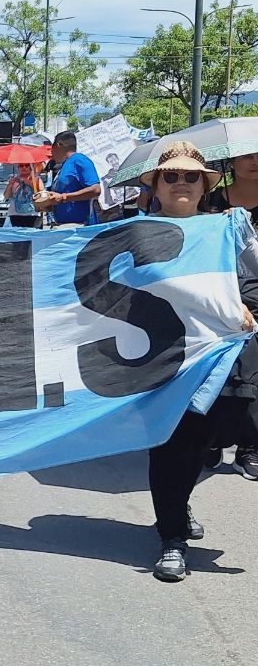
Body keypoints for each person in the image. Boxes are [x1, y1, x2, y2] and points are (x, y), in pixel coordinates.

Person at [138, 141, 256, 581]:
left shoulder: (226, 229)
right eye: (171, 176)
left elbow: (255, 276)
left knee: (206, 439)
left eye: (191, 176)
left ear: (205, 185)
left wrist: (243, 306)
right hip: (160, 360)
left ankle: (178, 504)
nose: (181, 183)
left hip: (216, 361)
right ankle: (172, 538)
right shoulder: (134, 233)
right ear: (156, 186)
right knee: (171, 446)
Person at [201, 150, 258, 479]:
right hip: (216, 295)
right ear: (230, 162)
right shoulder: (208, 202)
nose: (254, 161)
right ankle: (211, 438)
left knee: (253, 373)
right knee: (216, 373)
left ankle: (249, 445)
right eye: (247, 155)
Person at [38, 131, 101, 226]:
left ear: (59, 145)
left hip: (80, 227)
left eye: (52, 147)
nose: (51, 152)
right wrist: (47, 205)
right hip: (63, 226)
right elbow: (62, 199)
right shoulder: (64, 165)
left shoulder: (80, 160)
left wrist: (63, 197)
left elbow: (96, 189)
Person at [2, 162, 43, 228]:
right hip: (15, 214)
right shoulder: (14, 180)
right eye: (21, 166)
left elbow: (42, 194)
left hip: (32, 214)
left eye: (26, 166)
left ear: (30, 167)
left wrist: (31, 184)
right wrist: (10, 185)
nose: (24, 168)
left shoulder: (36, 179)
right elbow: (6, 196)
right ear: (18, 168)